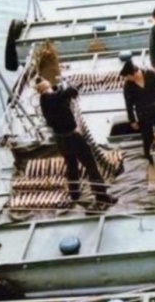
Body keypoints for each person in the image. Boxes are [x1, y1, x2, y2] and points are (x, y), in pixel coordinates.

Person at [36, 78, 117, 208]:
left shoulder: (43, 101)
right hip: (73, 138)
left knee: (71, 166)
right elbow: (71, 91)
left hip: (60, 140)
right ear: (47, 85)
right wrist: (72, 86)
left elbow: (60, 96)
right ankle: (102, 196)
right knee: (91, 166)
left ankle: (74, 194)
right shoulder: (55, 97)